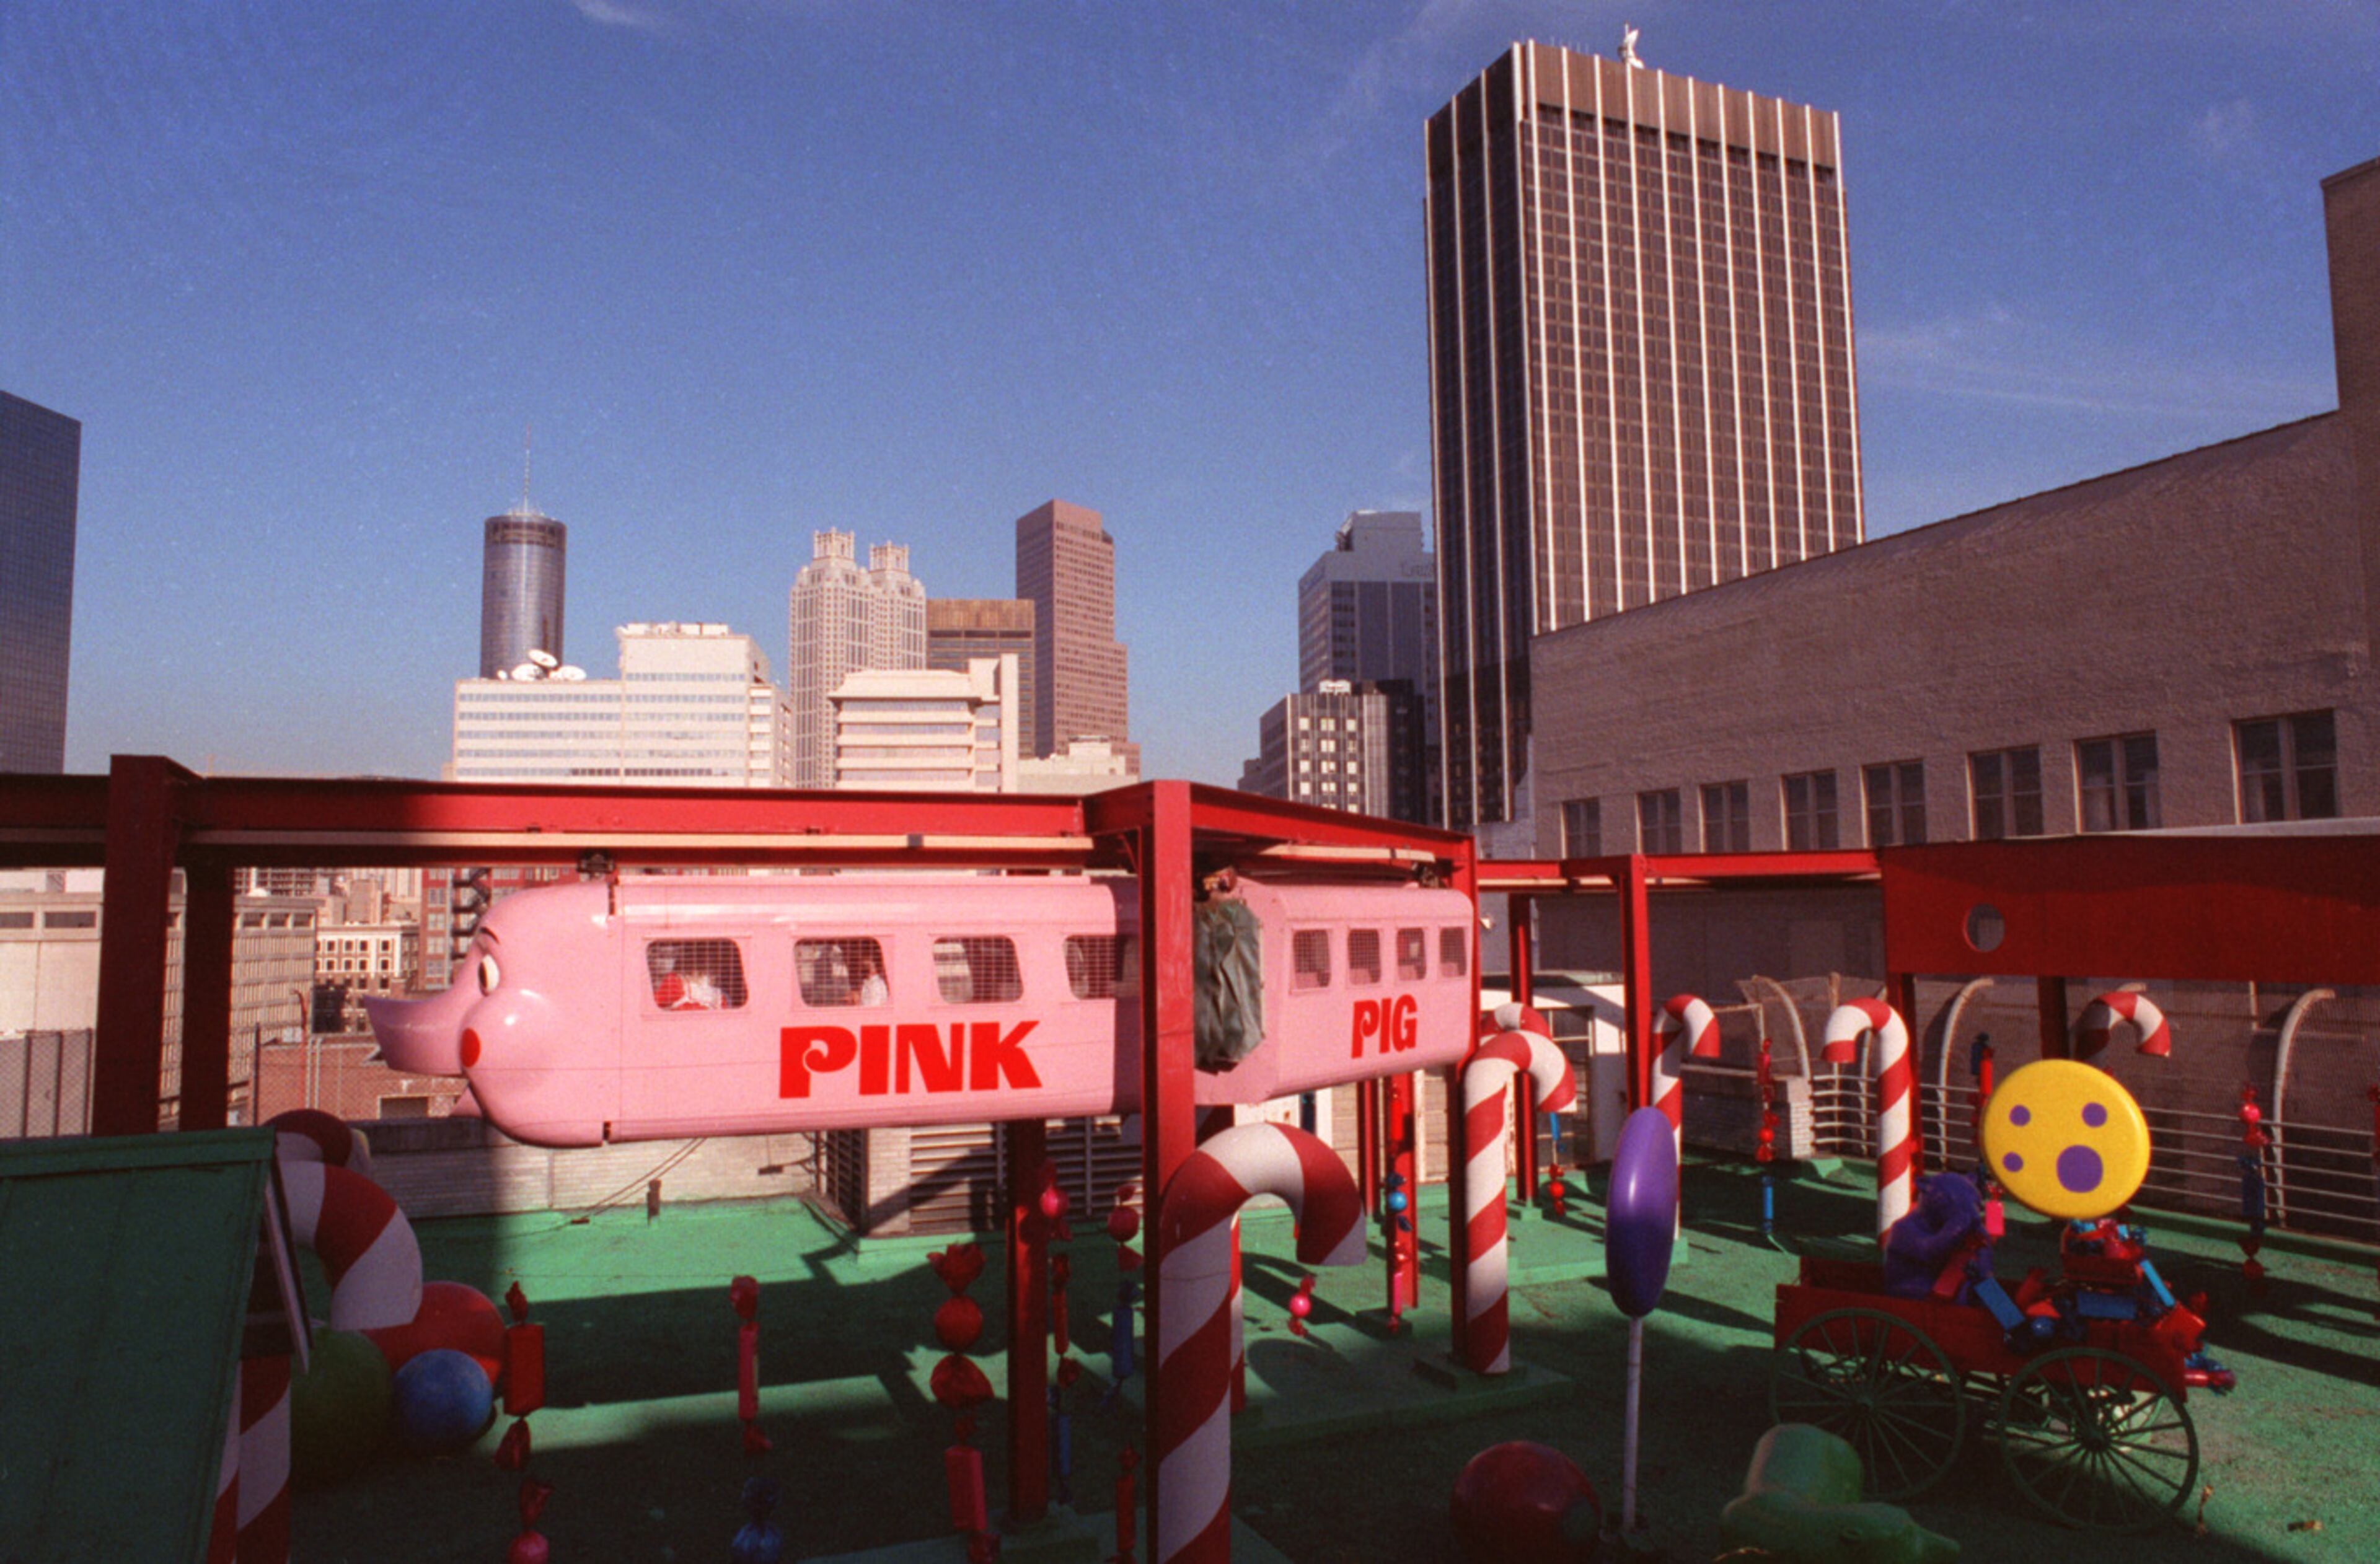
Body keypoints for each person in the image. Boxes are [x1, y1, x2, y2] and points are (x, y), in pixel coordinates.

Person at [852, 943, 889, 1008]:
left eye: (869, 963)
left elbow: (874, 1007)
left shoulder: (878, 984)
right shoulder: (866, 983)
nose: (865, 964)